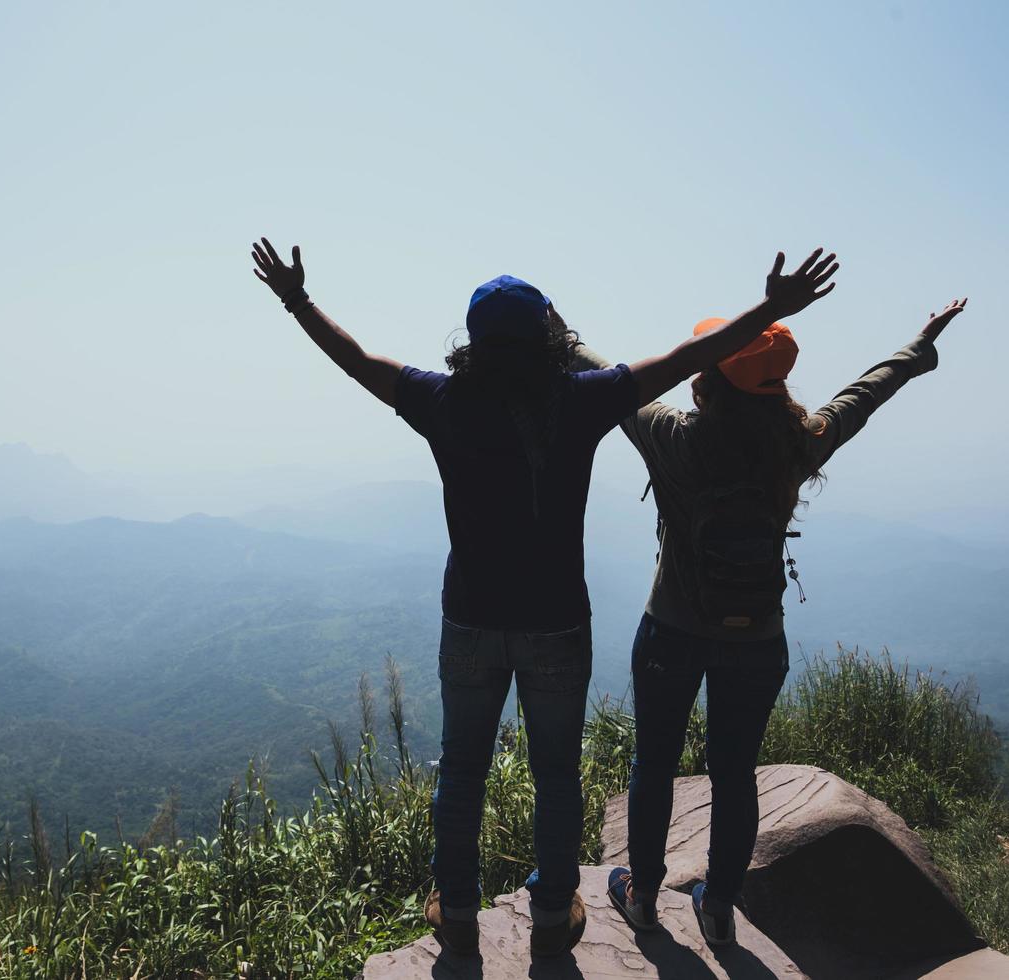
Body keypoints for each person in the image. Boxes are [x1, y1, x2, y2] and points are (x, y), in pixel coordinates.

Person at [250, 237, 840, 956]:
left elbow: (356, 360)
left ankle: (458, 912)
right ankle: (556, 916)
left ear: (473, 340)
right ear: (544, 340)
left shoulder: (442, 400)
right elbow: (686, 360)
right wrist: (771, 310)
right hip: (558, 625)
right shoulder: (581, 399)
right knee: (555, 772)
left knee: (462, 768)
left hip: (469, 619)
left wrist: (297, 301)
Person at [580, 295, 969, 946]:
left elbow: (616, 384)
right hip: (755, 638)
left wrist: (562, 338)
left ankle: (642, 896)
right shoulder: (797, 443)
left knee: (654, 765)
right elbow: (862, 397)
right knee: (736, 773)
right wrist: (917, 347)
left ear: (709, 376)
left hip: (672, 630)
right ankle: (719, 905)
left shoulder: (675, 437)